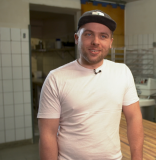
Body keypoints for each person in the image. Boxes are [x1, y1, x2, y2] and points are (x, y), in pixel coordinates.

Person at [37, 10, 144, 160]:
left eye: (103, 36)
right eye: (88, 34)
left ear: (110, 42)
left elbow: (134, 118)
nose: (96, 41)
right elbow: (48, 134)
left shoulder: (122, 72)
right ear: (77, 38)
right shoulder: (56, 78)